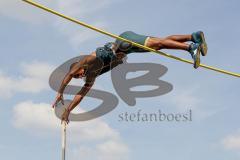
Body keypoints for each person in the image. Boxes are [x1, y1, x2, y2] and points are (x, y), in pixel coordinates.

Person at [52, 31, 208, 123]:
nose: (79, 77)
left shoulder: (86, 61)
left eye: (78, 75)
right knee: (160, 44)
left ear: (78, 67)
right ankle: (193, 37)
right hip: (127, 49)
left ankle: (191, 48)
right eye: (79, 77)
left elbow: (70, 74)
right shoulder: (91, 75)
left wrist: (60, 92)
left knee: (158, 43)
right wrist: (68, 111)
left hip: (124, 41)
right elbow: (81, 94)